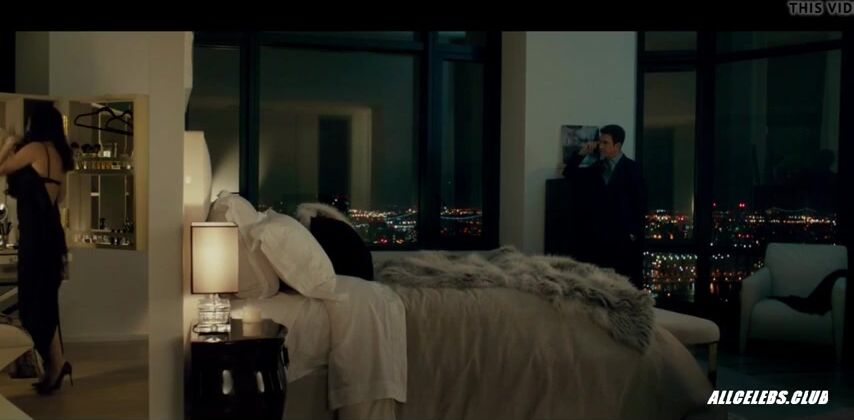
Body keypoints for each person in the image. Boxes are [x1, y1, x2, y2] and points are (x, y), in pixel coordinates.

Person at [0, 103, 74, 395]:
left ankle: (55, 365)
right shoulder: (58, 155)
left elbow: (1, 169)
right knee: (44, 302)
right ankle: (56, 365)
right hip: (51, 235)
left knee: (33, 304)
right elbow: (60, 198)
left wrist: (8, 145)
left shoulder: (33, 149)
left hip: (36, 237)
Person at [562, 124, 646, 289]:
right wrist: (582, 153)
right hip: (598, 238)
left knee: (623, 284)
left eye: (605, 142)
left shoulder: (633, 169)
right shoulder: (597, 168)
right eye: (600, 142)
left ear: (617, 145)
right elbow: (569, 174)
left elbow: (641, 203)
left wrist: (633, 233)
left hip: (622, 239)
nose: (600, 146)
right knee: (599, 284)